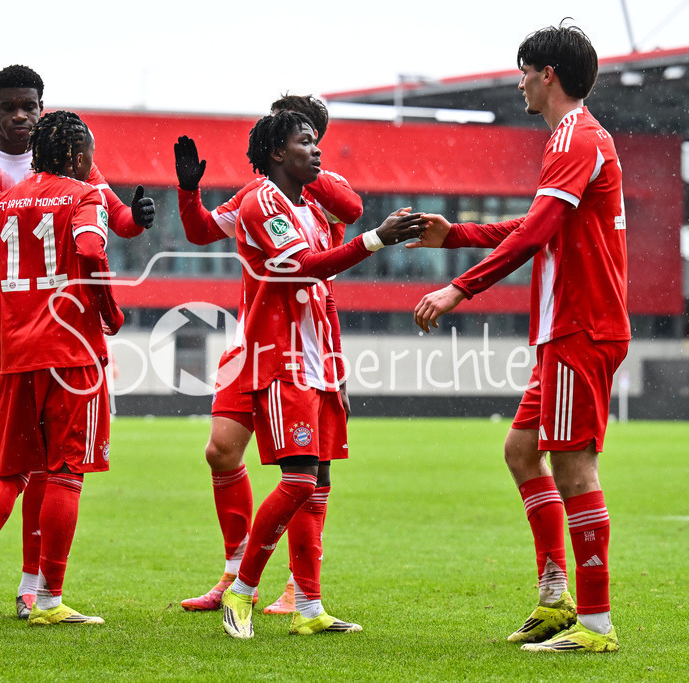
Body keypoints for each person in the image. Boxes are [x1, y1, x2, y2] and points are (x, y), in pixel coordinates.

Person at [410, 22, 627, 653]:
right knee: (522, 451)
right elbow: (536, 223)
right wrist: (456, 235)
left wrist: (460, 287)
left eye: (525, 71)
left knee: (574, 465)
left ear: (547, 74)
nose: (520, 83)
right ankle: (556, 598)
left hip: (581, 326)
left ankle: (596, 625)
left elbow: (533, 234)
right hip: (567, 328)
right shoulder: (573, 137)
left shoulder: (577, 137)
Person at [0, 64, 154, 619]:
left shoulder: (48, 172)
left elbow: (118, 217)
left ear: (42, 110)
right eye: (11, 107)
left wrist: (139, 218)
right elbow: (94, 240)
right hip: (4, 327)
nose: (21, 116)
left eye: (30, 106)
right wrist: (110, 310)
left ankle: (12, 578)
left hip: (20, 335)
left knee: (16, 465)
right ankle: (4, 583)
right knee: (0, 456)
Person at [220, 111, 427, 638]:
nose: (316, 150)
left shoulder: (310, 209)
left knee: (319, 486)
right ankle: (241, 591)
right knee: (297, 480)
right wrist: (376, 239)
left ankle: (310, 608)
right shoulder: (261, 202)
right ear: (276, 153)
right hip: (281, 359)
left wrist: (338, 373)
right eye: (305, 142)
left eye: (316, 142)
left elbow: (324, 294)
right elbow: (307, 267)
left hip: (319, 365)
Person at [174, 95, 363, 615]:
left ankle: (301, 588)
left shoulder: (324, 189)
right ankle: (237, 574)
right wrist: (188, 192)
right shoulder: (259, 195)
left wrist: (304, 170)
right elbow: (201, 230)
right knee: (222, 451)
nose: (310, 147)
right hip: (252, 340)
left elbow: (352, 210)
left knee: (308, 472)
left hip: (306, 341)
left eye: (307, 134)